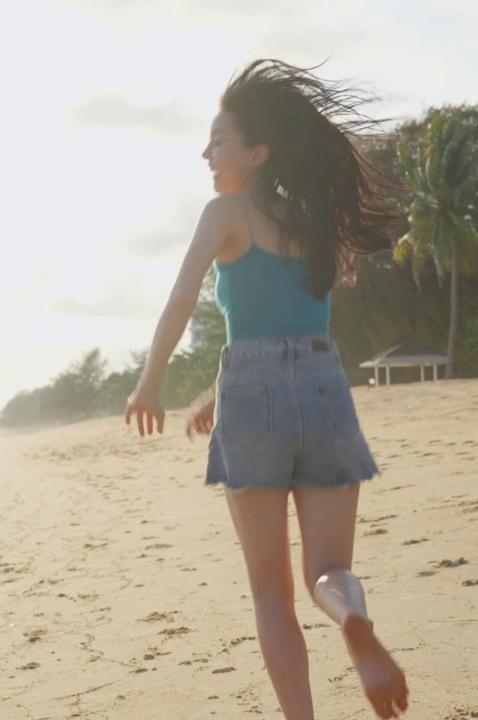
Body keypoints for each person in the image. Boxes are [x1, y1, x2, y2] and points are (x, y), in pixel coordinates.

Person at [124, 60, 409, 720]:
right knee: (325, 574)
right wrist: (217, 395)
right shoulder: (315, 221)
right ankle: (354, 623)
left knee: (271, 594)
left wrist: (150, 385)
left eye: (218, 140)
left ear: (257, 152)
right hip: (322, 383)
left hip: (255, 392)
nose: (206, 152)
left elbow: (182, 299)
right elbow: (290, 323)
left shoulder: (226, 211)